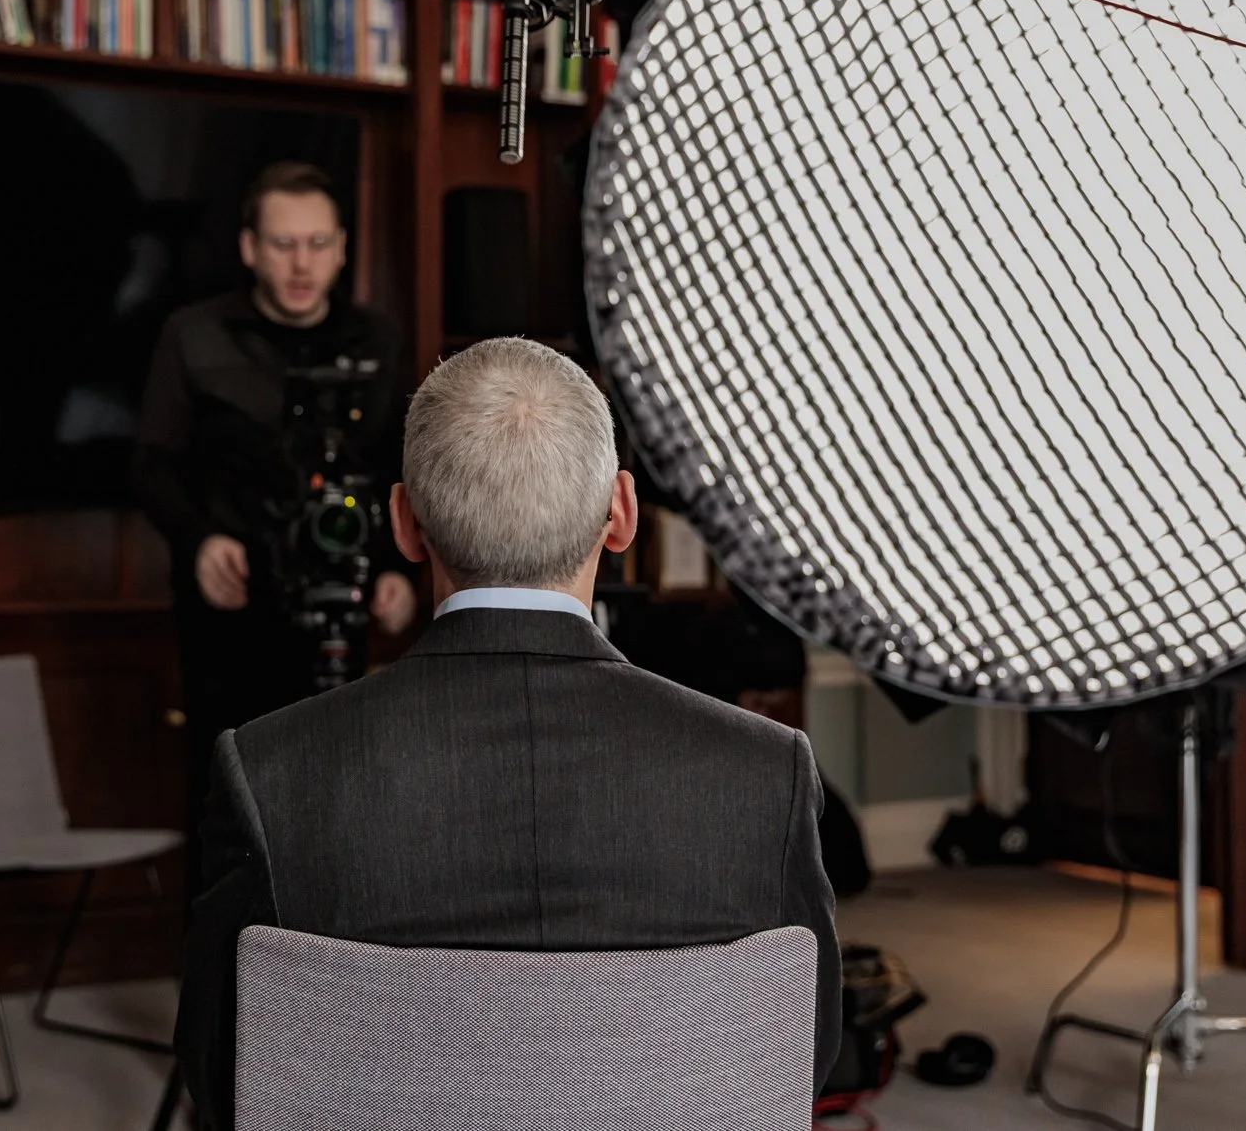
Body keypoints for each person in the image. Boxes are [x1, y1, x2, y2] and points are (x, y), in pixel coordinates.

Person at [175, 337, 841, 1131]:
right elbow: (801, 1051)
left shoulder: (270, 771)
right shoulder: (765, 771)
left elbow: (224, 1076)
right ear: (621, 514)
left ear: (404, 524)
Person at [132, 162, 418, 892]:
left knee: (340, 796)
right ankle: (218, 994)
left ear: (342, 248)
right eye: (285, 244)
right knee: (226, 801)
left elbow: (403, 470)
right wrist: (200, 541)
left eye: (317, 242)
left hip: (342, 611)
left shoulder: (380, 343)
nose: (301, 262)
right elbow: (152, 466)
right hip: (230, 611)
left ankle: (321, 986)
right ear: (250, 247)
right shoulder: (193, 335)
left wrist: (396, 566)